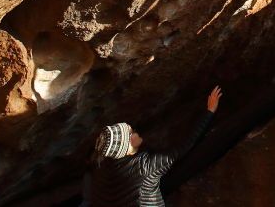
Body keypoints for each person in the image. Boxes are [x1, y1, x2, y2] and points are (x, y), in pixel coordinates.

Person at [89, 86, 222, 207]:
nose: (134, 131)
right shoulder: (145, 167)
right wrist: (209, 111)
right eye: (131, 133)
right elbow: (184, 146)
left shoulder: (102, 168)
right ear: (126, 148)